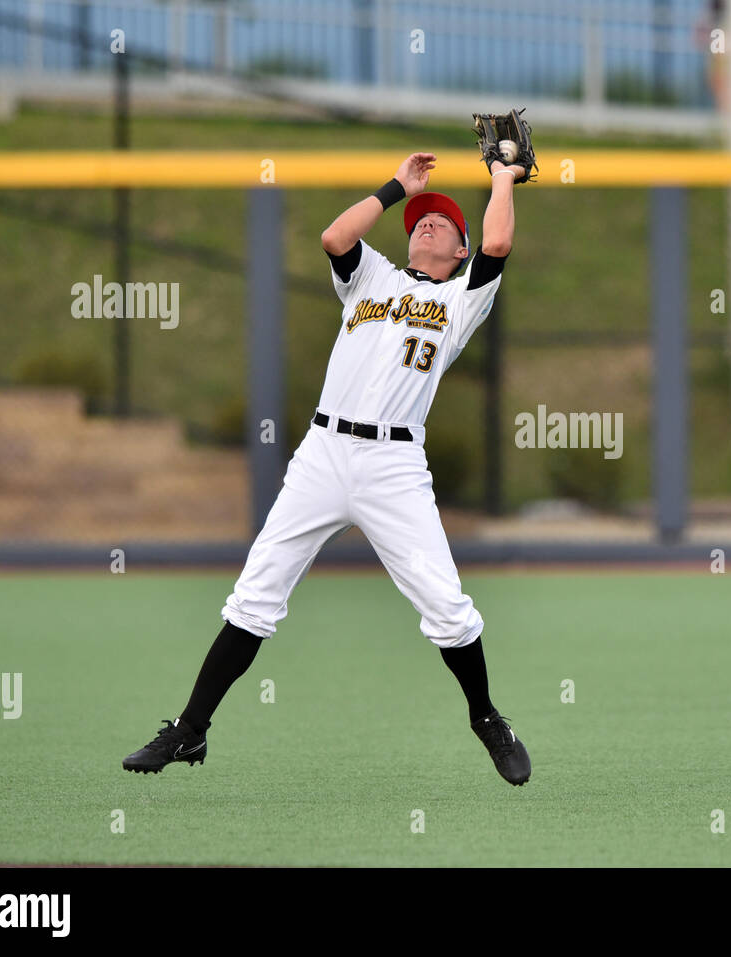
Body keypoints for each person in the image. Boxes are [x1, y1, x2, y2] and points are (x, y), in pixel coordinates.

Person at [123, 151, 532, 784]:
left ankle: (485, 718)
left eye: (444, 222)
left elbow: (499, 240)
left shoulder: (460, 300)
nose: (427, 224)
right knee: (255, 595)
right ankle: (189, 730)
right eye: (421, 220)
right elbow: (335, 237)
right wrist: (400, 187)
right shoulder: (372, 276)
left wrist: (503, 177)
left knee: (447, 608)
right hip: (322, 454)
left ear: (460, 251)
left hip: (394, 463)